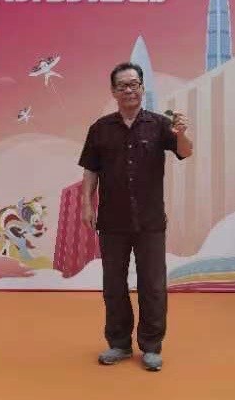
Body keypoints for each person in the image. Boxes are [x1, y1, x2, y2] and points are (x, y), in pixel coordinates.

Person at [78, 62, 193, 372]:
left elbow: (185, 152)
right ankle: (119, 343)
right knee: (113, 285)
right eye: (122, 86)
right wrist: (87, 204)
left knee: (152, 285)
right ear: (113, 91)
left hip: (150, 221)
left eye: (133, 84)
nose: (128, 90)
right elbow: (90, 169)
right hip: (112, 221)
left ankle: (151, 346)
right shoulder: (100, 128)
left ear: (142, 88)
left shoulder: (160, 125)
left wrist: (182, 133)